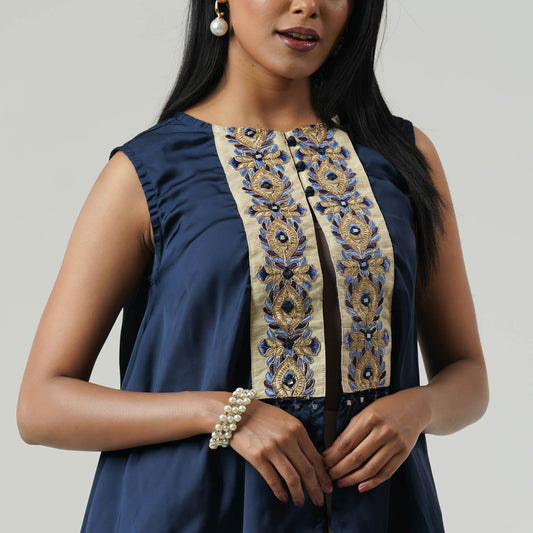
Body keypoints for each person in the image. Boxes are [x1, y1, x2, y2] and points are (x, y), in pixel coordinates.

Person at [16, 1, 489, 531]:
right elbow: (42, 406)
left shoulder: (402, 157)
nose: (307, 5)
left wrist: (418, 409)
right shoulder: (147, 173)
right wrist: (222, 413)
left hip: (376, 511)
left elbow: (468, 377)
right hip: (191, 511)